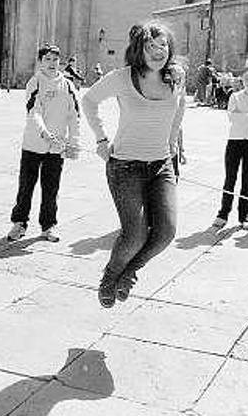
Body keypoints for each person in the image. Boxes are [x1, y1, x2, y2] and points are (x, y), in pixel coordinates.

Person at [81, 22, 186, 308]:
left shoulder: (176, 77)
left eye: (162, 46)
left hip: (162, 165)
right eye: (150, 47)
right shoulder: (121, 77)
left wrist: (174, 142)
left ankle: (129, 273)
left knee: (166, 233)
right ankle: (111, 277)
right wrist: (101, 140)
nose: (157, 51)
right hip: (125, 167)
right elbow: (88, 101)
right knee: (136, 234)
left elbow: (181, 107)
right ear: (138, 49)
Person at [6, 43, 81, 243]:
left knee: (51, 188)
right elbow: (34, 110)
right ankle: (19, 223)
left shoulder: (67, 85)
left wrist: (74, 141)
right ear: (40, 62)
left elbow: (74, 115)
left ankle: (48, 226)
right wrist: (44, 132)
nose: (52, 63)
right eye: (47, 59)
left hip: (57, 147)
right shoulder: (35, 82)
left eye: (55, 59)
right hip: (33, 143)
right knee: (26, 186)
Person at [212, 65, 248, 230]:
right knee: (230, 178)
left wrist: (244, 117)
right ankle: (223, 213)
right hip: (235, 141)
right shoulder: (235, 97)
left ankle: (245, 215)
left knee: (247, 179)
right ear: (242, 80)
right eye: (247, 79)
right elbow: (232, 117)